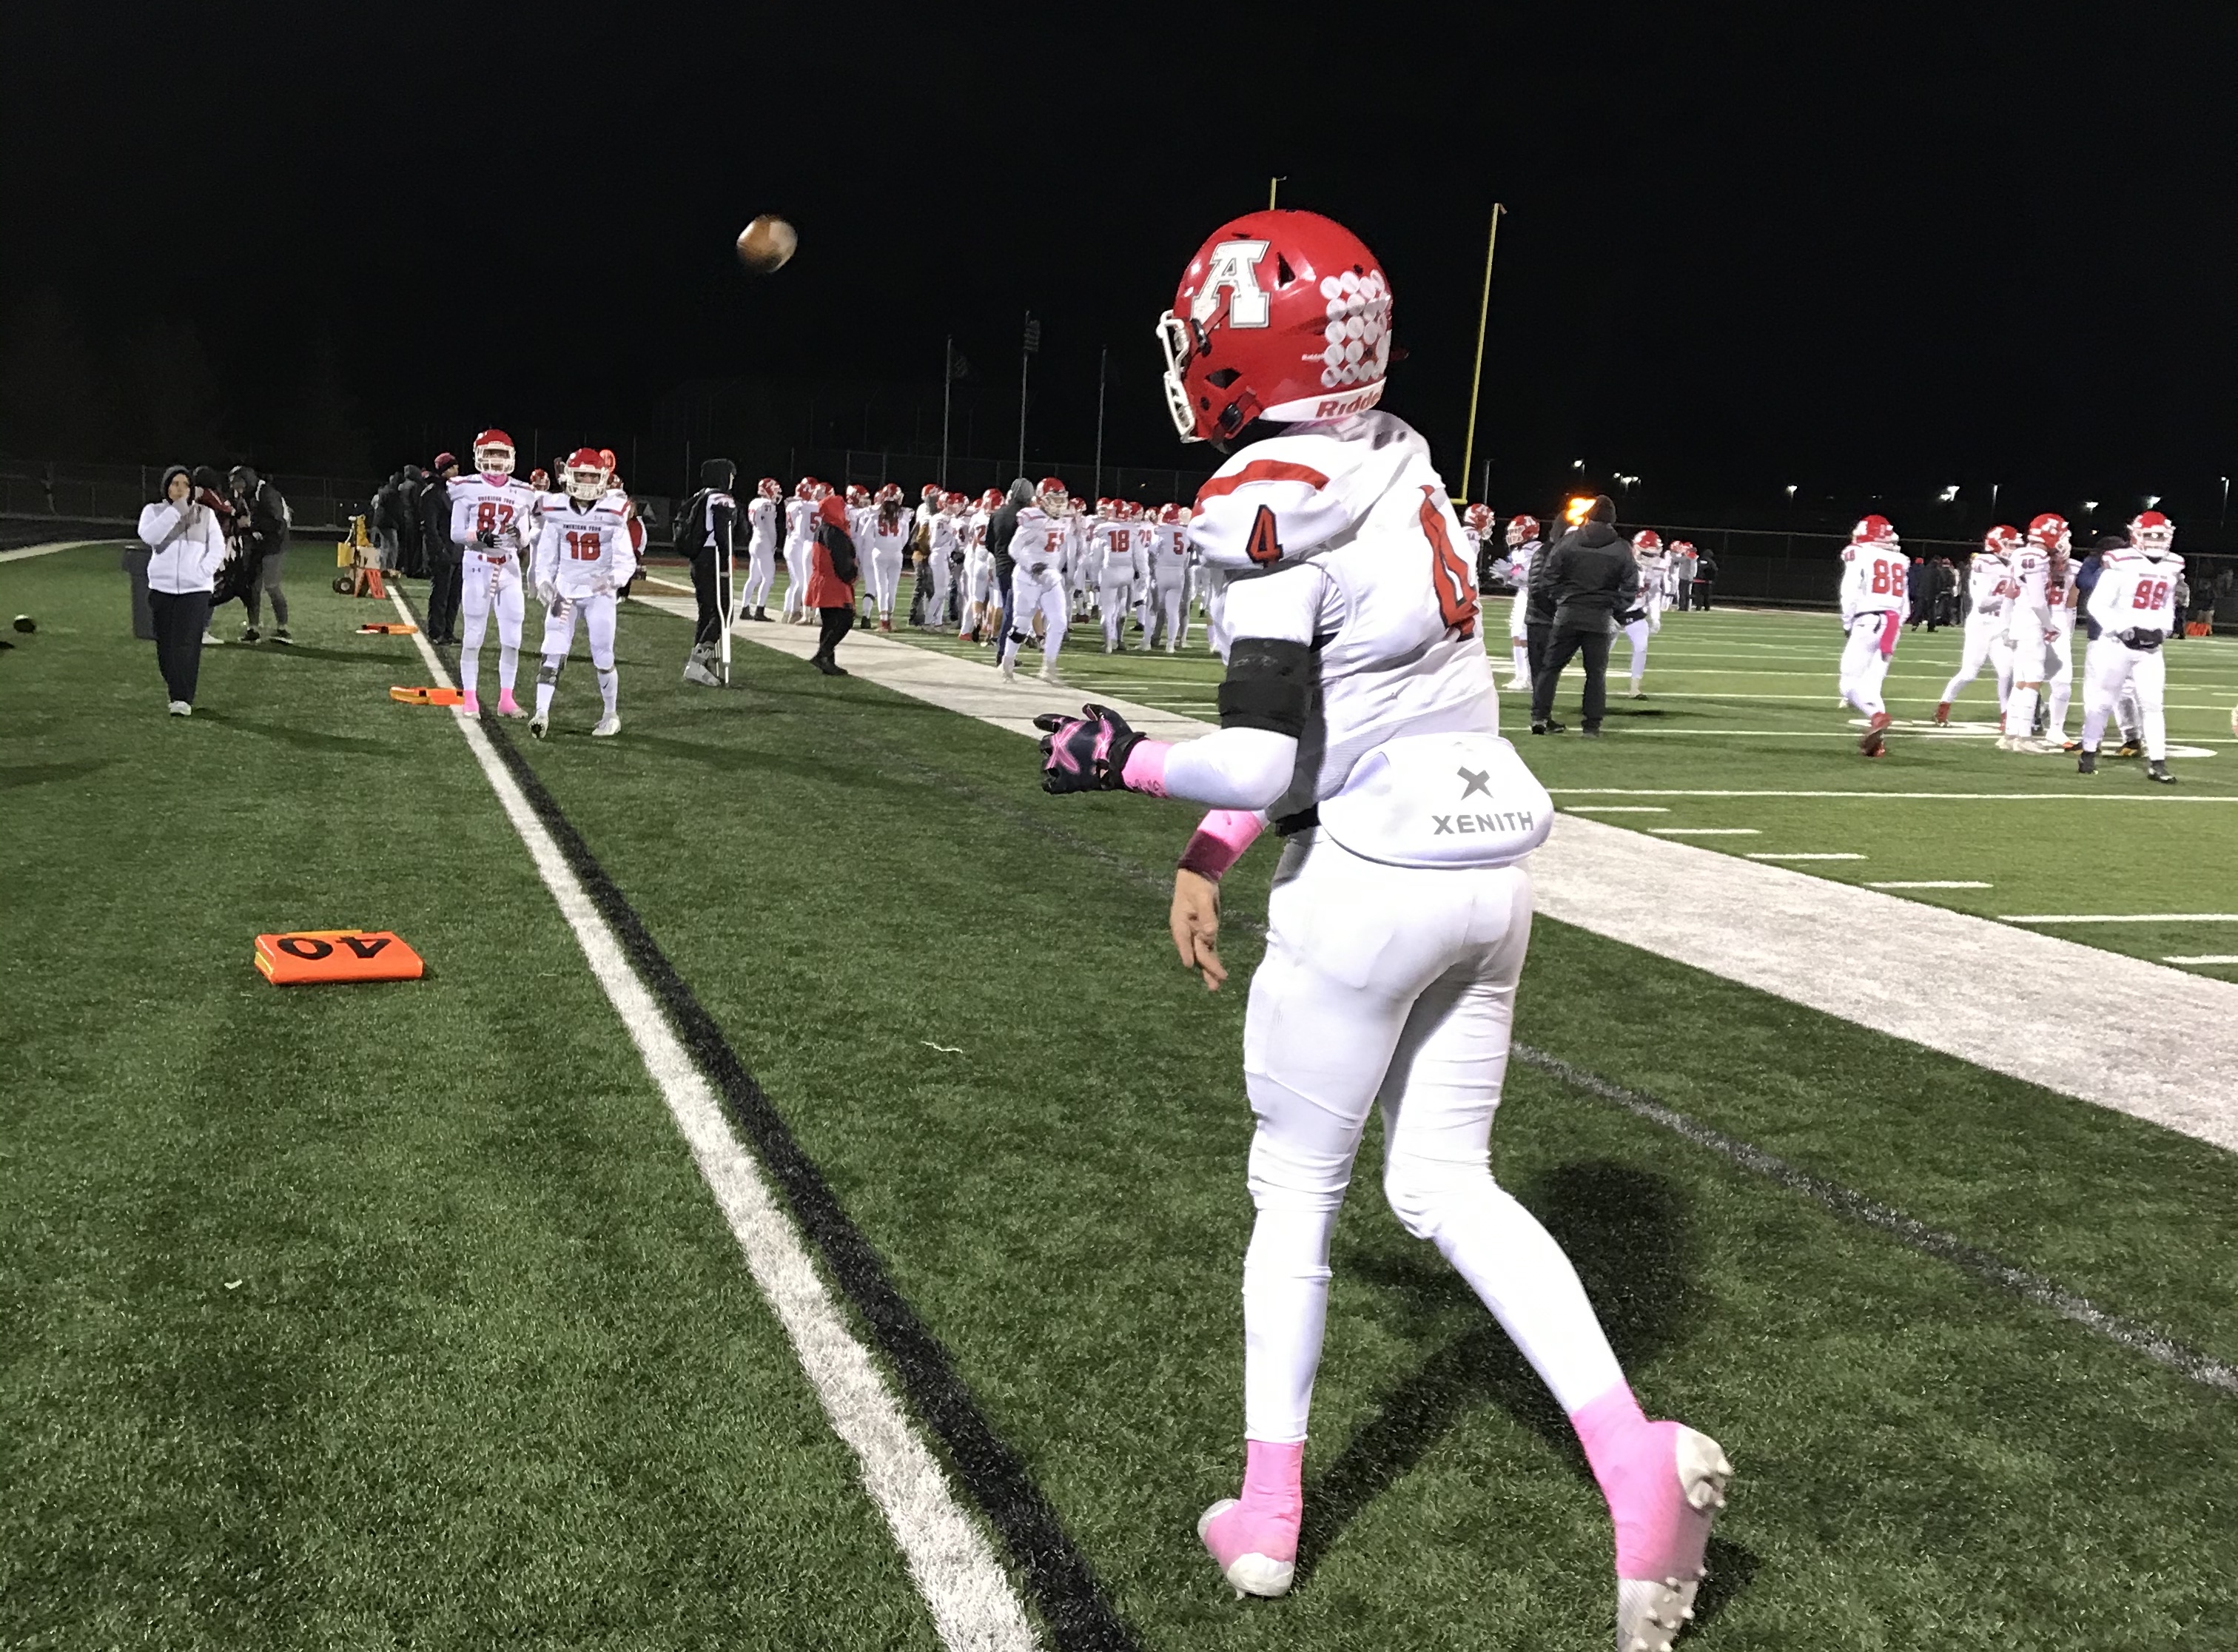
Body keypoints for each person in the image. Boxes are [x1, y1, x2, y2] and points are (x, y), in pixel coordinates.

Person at [1038, 209, 1728, 1652]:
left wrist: (1122, 758)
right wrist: (1212, 851)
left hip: (1368, 879)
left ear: (1250, 346)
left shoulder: (1265, 498)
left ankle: (1269, 1521)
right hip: (1488, 862)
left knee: (1296, 1200)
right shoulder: (1398, 451)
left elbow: (1271, 758)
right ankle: (1632, 1462)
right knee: (1445, 1186)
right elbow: (1367, 696)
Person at [528, 448, 634, 738]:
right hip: (565, 592)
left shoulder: (613, 510)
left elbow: (627, 561)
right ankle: (541, 713)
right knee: (552, 649)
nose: (587, 480)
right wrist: (544, 583)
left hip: (599, 593)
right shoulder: (557, 508)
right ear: (570, 477)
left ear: (603, 477)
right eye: (582, 474)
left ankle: (611, 714)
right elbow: (547, 556)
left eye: (592, 474)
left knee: (602, 653)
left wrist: (612, 580)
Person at [2078, 511, 2181, 783]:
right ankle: (2088, 752)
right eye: (2151, 535)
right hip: (2116, 646)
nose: (2157, 540)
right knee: (2102, 701)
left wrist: (2163, 631)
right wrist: (2123, 629)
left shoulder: (2172, 565)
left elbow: (2167, 605)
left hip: (2150, 650)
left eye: (2161, 535)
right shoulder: (2121, 562)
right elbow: (2096, 604)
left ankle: (2157, 763)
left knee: (2153, 704)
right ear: (2136, 535)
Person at [1530, 495, 1637, 737]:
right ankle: (1591, 726)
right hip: (1599, 618)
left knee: (1551, 668)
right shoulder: (1620, 548)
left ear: (1589, 516)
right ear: (1612, 520)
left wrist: (1562, 600)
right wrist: (1614, 608)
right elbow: (1631, 586)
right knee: (1596, 674)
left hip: (1568, 614)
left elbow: (1548, 578)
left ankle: (1539, 717)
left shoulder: (1569, 542)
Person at [448, 429, 538, 716]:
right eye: (490, 453)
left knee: (513, 638)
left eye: (501, 454)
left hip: (510, 567)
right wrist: (480, 536)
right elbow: (455, 533)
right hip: (477, 564)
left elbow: (524, 540)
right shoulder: (466, 487)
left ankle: (506, 699)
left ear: (511, 458)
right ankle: (471, 699)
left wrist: (516, 533)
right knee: (474, 636)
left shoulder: (522, 491)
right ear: (478, 456)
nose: (495, 460)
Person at [136, 466, 230, 715]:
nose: (180, 489)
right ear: (166, 486)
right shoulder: (153, 512)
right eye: (175, 484)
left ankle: (182, 698)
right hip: (162, 588)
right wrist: (176, 511)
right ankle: (176, 687)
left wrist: (201, 573)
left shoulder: (205, 514)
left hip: (195, 591)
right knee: (165, 645)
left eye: (185, 485)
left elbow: (217, 548)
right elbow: (150, 537)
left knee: (187, 644)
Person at [1836, 514, 1906, 756]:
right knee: (1873, 684)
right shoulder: (1900, 559)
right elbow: (1906, 606)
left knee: (1848, 684)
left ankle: (1877, 716)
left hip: (1869, 620)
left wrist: (1848, 623)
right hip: (1893, 624)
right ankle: (1878, 745)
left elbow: (1849, 592)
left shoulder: (1859, 553)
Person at [1934, 526, 2017, 725]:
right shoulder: (1985, 562)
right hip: (1981, 624)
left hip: (2001, 624)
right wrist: (2012, 598)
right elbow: (1982, 604)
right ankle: (1943, 708)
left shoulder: (2014, 565)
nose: (2014, 548)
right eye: (2011, 544)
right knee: (1969, 673)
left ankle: (2007, 717)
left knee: (2007, 672)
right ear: (1998, 543)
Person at [1999, 514, 2063, 753]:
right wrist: (2049, 626)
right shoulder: (2037, 558)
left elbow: (2010, 592)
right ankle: (2024, 737)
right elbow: (2037, 601)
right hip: (2031, 622)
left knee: (2021, 681)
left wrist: (2006, 625)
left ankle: (2010, 735)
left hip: (2019, 619)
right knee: (2033, 680)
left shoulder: (2019, 554)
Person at [999, 477, 1070, 683]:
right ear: (1041, 499)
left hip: (1050, 576)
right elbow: (1014, 548)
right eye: (1054, 499)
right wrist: (1031, 565)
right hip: (1027, 577)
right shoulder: (1033, 519)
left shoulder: (1063, 521)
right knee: (1021, 624)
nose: (1059, 504)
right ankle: (1007, 661)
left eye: (1061, 499)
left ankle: (1048, 667)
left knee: (1059, 622)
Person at [676, 457, 739, 683]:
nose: (732, 480)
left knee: (706, 611)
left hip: (698, 559)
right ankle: (698, 662)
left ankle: (700, 662)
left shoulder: (699, 496)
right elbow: (725, 534)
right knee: (725, 612)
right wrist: (728, 556)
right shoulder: (721, 498)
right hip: (714, 557)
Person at [229, 465, 293, 643]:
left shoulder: (266, 493)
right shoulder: (248, 495)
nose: (236, 488)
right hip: (258, 544)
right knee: (252, 587)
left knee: (272, 586)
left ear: (248, 480)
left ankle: (283, 629)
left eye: (238, 483)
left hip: (275, 545)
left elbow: (278, 522)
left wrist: (252, 523)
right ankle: (253, 629)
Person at [806, 488, 860, 675]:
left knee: (830, 622)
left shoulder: (824, 528)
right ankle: (823, 655)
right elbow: (841, 559)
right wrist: (851, 575)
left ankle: (828, 661)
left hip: (823, 579)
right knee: (845, 619)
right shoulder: (835, 532)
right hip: (833, 582)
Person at [1619, 528, 1667, 698]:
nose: (1649, 559)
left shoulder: (1659, 566)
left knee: (1641, 647)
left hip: (1636, 610)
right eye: (1645, 554)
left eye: (1652, 555)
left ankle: (1635, 688)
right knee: (1601, 652)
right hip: (1613, 611)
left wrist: (1655, 616)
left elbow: (1654, 592)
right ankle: (1595, 686)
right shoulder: (1621, 561)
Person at [422, 452, 463, 644]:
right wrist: (439, 551)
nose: (457, 470)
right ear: (445, 470)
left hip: (457, 551)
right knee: (440, 594)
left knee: (454, 595)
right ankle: (436, 632)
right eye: (453, 467)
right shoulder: (431, 493)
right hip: (443, 552)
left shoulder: (456, 492)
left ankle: (448, 631)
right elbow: (430, 527)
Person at [1500, 513, 1541, 691]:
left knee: (1523, 636)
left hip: (1532, 595)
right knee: (1517, 634)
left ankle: (1529, 678)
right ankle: (1522, 677)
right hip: (1524, 594)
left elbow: (1529, 577)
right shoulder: (1520, 550)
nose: (1513, 535)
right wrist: (1508, 576)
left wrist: (1511, 574)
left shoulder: (1534, 549)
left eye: (1518, 531)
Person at [862, 483, 911, 631]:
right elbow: (905, 538)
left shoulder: (875, 514)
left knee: (881, 587)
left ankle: (883, 621)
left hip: (879, 553)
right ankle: (889, 619)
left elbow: (865, 535)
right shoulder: (904, 515)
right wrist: (896, 547)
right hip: (896, 554)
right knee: (892, 588)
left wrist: (877, 544)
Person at [742, 477, 782, 621]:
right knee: (768, 578)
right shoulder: (767, 505)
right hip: (764, 542)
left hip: (754, 540)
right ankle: (760, 610)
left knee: (753, 578)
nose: (777, 493)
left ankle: (745, 609)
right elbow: (771, 528)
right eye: (775, 490)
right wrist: (773, 544)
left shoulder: (754, 502)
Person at [782, 478, 820, 623]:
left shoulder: (793, 505)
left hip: (790, 542)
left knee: (795, 581)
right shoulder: (809, 506)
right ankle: (795, 612)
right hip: (801, 544)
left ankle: (788, 612)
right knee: (802, 582)